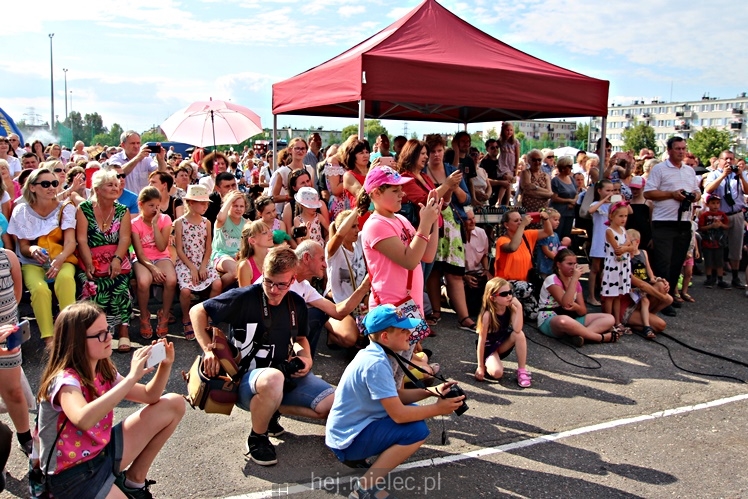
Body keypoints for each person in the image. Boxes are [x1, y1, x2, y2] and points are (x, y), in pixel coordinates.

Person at [189, 247, 336, 467]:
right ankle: (257, 436)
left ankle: (271, 409)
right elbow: (197, 311)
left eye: (281, 284)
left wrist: (305, 358)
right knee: (273, 379)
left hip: (282, 377)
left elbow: (301, 339)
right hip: (245, 381)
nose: (274, 290)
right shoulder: (245, 297)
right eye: (269, 282)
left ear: (292, 280)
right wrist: (208, 350)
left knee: (332, 403)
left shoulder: (296, 303)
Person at [35, 302, 184, 499]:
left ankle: (134, 482)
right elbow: (83, 419)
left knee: (174, 403)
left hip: (101, 454)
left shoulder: (103, 370)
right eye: (101, 334)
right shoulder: (64, 381)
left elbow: (150, 396)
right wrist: (132, 377)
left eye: (108, 330)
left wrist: (166, 366)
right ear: (77, 341)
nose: (109, 337)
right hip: (71, 478)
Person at [325, 304, 465, 499]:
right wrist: (438, 409)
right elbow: (398, 415)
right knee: (416, 431)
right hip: (346, 442)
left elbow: (396, 396)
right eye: (403, 330)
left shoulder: (376, 354)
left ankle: (359, 461)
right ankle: (364, 489)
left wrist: (431, 392)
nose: (410, 333)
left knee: (414, 414)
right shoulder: (376, 364)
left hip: (347, 433)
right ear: (385, 337)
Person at [360, 165, 440, 387]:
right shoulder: (375, 225)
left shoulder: (401, 220)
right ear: (376, 193)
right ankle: (387, 414)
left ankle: (395, 413)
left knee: (399, 373)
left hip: (408, 307)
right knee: (388, 374)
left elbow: (427, 255)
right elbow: (409, 259)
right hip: (390, 309)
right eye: (395, 190)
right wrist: (424, 225)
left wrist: (433, 221)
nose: (402, 194)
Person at [7, 167, 77, 344]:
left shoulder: (66, 208)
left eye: (54, 183)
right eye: (45, 184)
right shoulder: (21, 210)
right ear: (32, 187)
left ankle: (69, 333)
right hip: (32, 262)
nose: (52, 187)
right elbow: (22, 246)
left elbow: (70, 242)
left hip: (62, 258)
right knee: (39, 289)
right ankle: (49, 337)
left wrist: (59, 260)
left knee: (66, 280)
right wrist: (32, 250)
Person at [76, 169, 134, 352]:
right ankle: (96, 330)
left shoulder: (122, 210)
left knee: (120, 284)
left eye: (116, 185)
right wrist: (89, 262)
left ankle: (123, 330)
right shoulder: (84, 209)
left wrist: (117, 259)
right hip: (91, 256)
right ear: (97, 189)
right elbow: (82, 240)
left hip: (115, 256)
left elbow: (125, 238)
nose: (115, 188)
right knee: (92, 284)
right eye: (109, 185)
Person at [643, 137, 701, 317]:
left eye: (684, 148)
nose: (681, 152)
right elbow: (648, 192)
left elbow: (698, 192)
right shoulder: (660, 169)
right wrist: (671, 194)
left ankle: (669, 295)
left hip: (684, 221)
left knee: (677, 262)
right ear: (669, 150)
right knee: (663, 262)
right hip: (664, 222)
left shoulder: (689, 171)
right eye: (677, 149)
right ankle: (660, 298)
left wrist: (694, 196)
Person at [423, 134, 475, 331]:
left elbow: (466, 200)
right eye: (432, 151)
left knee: (455, 272)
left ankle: (464, 316)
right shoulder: (423, 172)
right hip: (433, 223)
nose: (436, 155)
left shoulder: (453, 170)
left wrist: (454, 187)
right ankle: (436, 311)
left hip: (452, 225)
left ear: (444, 151)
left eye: (439, 150)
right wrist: (446, 187)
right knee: (434, 270)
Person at [537, 249, 617, 345]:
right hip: (551, 318)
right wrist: (574, 278)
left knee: (609, 318)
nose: (573, 267)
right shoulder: (552, 280)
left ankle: (581, 336)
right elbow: (565, 304)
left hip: (572, 317)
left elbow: (583, 311)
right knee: (563, 321)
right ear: (558, 264)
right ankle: (599, 337)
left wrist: (576, 307)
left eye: (575, 264)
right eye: (569, 264)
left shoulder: (576, 282)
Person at [174, 185, 221, 339]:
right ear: (191, 203)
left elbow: (208, 247)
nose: (205, 206)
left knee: (217, 283)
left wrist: (202, 266)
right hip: (186, 262)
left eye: (206, 203)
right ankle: (187, 317)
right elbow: (179, 249)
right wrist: (192, 268)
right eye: (201, 203)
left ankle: (206, 312)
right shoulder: (180, 222)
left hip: (203, 261)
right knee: (186, 290)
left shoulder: (206, 222)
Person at [131, 186, 176, 340]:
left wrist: (155, 225)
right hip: (143, 259)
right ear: (141, 204)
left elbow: (162, 246)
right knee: (143, 281)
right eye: (151, 205)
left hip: (161, 256)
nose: (155, 210)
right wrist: (153, 268)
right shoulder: (135, 223)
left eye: (157, 206)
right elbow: (139, 252)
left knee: (171, 280)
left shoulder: (165, 219)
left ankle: (164, 314)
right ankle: (144, 316)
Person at [493, 209, 554, 320]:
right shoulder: (502, 240)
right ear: (506, 225)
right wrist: (522, 226)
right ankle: (506, 309)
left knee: (534, 315)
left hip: (525, 283)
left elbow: (548, 232)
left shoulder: (527, 235)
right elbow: (513, 247)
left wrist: (545, 219)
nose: (520, 222)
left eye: (520, 220)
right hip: (507, 284)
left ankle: (513, 311)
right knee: (527, 288)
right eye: (516, 221)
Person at [0, 247, 30, 459]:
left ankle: (25, 436)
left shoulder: (8, 258)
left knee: (14, 391)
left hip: (8, 343)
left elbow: (16, 297)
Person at [703, 150, 748, 289]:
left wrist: (740, 177)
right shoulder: (714, 174)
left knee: (736, 246)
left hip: (736, 214)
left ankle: (735, 277)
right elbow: (708, 189)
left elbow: (747, 191)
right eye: (726, 159)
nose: (729, 161)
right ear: (720, 161)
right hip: (719, 215)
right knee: (717, 246)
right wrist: (723, 176)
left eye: (731, 159)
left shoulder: (741, 174)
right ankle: (717, 277)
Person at [474, 278, 531, 387]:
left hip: (502, 343)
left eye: (510, 292)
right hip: (489, 347)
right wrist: (480, 366)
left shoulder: (511, 308)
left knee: (519, 335)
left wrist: (519, 307)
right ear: (493, 298)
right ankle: (487, 363)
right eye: (504, 294)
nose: (509, 296)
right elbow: (481, 342)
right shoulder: (487, 315)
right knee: (497, 373)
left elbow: (517, 329)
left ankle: (522, 370)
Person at [325, 209, 368, 347]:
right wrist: (356, 210)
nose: (357, 230)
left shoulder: (359, 241)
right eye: (352, 226)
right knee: (350, 338)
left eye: (357, 225)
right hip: (337, 304)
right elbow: (339, 234)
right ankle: (331, 333)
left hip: (358, 302)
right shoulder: (333, 250)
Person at [623, 229, 672, 339]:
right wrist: (661, 296)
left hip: (640, 290)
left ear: (637, 242)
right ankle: (644, 325)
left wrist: (660, 280)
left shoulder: (642, 253)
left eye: (629, 242)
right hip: (629, 296)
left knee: (665, 292)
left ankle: (646, 318)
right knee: (660, 325)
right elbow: (640, 284)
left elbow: (650, 275)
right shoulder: (623, 259)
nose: (626, 245)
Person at [601, 201, 634, 332]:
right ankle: (608, 322)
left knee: (618, 295)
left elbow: (631, 246)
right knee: (610, 295)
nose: (623, 219)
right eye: (620, 216)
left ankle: (617, 321)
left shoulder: (623, 230)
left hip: (623, 266)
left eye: (625, 216)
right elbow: (617, 249)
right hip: (613, 265)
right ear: (611, 216)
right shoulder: (609, 231)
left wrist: (626, 247)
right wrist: (627, 246)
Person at [587, 179, 615, 306]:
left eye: (612, 190)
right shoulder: (596, 203)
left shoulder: (613, 205)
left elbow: (629, 211)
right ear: (599, 191)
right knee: (595, 268)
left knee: (608, 267)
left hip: (611, 240)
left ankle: (605, 295)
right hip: (599, 239)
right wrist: (605, 200)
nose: (610, 193)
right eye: (607, 190)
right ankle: (591, 296)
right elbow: (591, 211)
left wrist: (620, 201)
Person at [463, 206, 491, 317]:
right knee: (470, 310)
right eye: (469, 219)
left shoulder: (481, 232)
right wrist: (464, 277)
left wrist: (486, 270)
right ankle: (444, 291)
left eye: (473, 218)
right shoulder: (455, 235)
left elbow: (484, 255)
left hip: (477, 273)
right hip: (460, 276)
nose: (473, 221)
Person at [698, 194, 730, 289]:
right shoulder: (705, 215)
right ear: (707, 204)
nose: (715, 205)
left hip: (719, 242)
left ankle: (720, 279)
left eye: (717, 203)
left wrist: (721, 225)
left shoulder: (722, 215)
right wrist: (711, 226)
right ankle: (709, 278)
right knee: (709, 261)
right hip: (707, 242)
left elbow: (727, 226)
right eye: (712, 203)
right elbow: (701, 228)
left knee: (719, 262)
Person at [236, 220, 274, 287]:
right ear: (252, 241)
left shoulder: (275, 255)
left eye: (270, 230)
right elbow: (244, 295)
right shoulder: (245, 266)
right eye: (265, 233)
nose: (271, 234)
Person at [520, 149, 553, 223]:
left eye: (539, 160)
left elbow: (550, 194)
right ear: (529, 161)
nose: (537, 162)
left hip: (542, 211)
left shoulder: (545, 175)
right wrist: (545, 193)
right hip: (528, 210)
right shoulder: (526, 173)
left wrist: (535, 188)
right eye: (534, 160)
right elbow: (527, 190)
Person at [550, 156, 578, 240]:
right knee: (558, 234)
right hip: (559, 212)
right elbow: (554, 197)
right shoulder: (555, 180)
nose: (571, 169)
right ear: (563, 167)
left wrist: (573, 201)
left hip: (570, 212)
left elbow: (576, 193)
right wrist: (569, 201)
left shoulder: (572, 179)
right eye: (569, 166)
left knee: (566, 236)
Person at [535, 208, 563, 280]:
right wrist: (557, 259)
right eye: (555, 220)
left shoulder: (556, 235)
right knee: (543, 281)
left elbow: (558, 248)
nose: (558, 222)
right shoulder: (543, 235)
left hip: (553, 264)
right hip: (544, 264)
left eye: (558, 220)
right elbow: (546, 250)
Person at [496, 123, 520, 205]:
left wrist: (516, 167)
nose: (509, 132)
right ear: (503, 131)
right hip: (503, 163)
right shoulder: (500, 141)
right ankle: (499, 201)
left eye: (511, 130)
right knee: (506, 181)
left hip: (511, 164)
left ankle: (506, 203)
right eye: (507, 130)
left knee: (508, 183)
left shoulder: (515, 142)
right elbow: (494, 149)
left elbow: (517, 155)